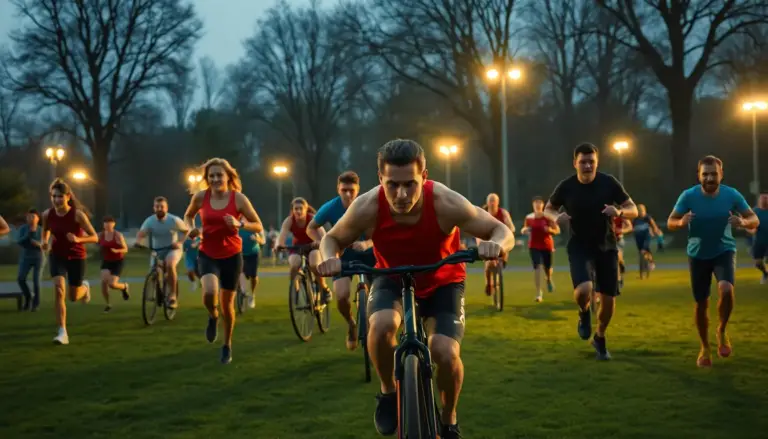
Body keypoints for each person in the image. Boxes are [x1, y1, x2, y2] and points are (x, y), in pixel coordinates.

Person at [317, 139, 514, 439]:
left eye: (410, 184)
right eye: (392, 185)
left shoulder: (445, 202)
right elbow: (331, 238)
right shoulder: (368, 206)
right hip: (390, 276)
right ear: (380, 178)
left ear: (425, 176)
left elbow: (502, 231)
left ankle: (448, 419)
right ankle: (388, 391)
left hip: (442, 280)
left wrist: (496, 245)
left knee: (444, 352)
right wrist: (329, 259)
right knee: (381, 326)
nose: (401, 194)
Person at [544, 143, 638, 361]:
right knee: (585, 289)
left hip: (607, 246)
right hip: (579, 245)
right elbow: (549, 208)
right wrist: (554, 218)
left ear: (597, 162)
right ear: (575, 163)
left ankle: (600, 336)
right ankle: (584, 311)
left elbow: (632, 208)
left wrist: (620, 211)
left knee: (608, 299)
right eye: (583, 162)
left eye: (591, 162)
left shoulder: (609, 183)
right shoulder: (566, 187)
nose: (587, 166)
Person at [667, 156, 759, 367]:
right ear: (699, 175)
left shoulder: (731, 194)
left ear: (721, 174)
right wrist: (681, 221)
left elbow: (754, 219)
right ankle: (705, 347)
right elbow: (671, 221)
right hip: (697, 254)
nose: (709, 178)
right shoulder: (688, 196)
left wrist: (743, 222)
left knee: (726, 289)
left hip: (723, 250)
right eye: (705, 174)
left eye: (713, 174)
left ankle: (722, 330)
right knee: (701, 303)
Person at [184, 157, 263, 364]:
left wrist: (240, 224)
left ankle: (227, 344)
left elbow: (258, 225)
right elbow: (188, 216)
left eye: (220, 175)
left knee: (228, 305)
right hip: (208, 252)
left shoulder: (238, 199)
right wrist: (190, 228)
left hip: (232, 255)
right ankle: (212, 315)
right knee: (209, 293)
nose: (216, 179)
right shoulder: (201, 197)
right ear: (207, 179)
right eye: (212, 176)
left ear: (228, 177)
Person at [306, 170, 376, 350]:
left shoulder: (368, 205)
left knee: (375, 296)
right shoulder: (330, 207)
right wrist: (326, 244)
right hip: (344, 254)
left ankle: (373, 326)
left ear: (358, 190)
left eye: (351, 190)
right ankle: (352, 324)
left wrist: (366, 244)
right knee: (342, 295)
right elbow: (311, 227)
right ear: (338, 189)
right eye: (344, 190)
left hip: (369, 253)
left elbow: (381, 234)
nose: (347, 194)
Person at [42, 179, 99, 345]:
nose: (56, 200)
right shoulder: (47, 214)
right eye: (53, 196)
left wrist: (78, 239)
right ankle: (62, 332)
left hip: (76, 257)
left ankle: (85, 288)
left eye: (60, 196)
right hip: (57, 255)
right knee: (59, 290)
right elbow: (45, 229)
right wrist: (45, 241)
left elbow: (95, 237)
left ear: (68, 197)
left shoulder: (77, 215)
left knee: (73, 296)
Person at [136, 196, 188, 309]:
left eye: (162, 207)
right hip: (157, 250)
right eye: (157, 206)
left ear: (166, 208)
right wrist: (138, 242)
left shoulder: (173, 220)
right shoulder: (150, 221)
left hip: (172, 249)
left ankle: (173, 296)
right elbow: (142, 233)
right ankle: (156, 291)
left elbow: (185, 231)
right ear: (154, 208)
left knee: (169, 265)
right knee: (155, 270)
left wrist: (180, 242)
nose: (159, 209)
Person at [276, 198, 331, 300]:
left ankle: (324, 288)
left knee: (314, 264)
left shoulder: (312, 219)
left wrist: (320, 242)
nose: (298, 211)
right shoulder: (289, 221)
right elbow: (282, 235)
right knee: (294, 264)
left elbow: (323, 235)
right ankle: (295, 288)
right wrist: (279, 245)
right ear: (292, 210)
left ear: (306, 209)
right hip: (297, 247)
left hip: (313, 245)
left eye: (301, 208)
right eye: (296, 209)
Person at [521, 197, 560, 302]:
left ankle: (548, 279)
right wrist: (524, 230)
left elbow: (557, 230)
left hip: (546, 245)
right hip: (534, 245)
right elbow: (524, 228)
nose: (538, 206)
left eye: (539, 204)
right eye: (536, 204)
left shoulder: (548, 217)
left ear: (542, 206)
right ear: (533, 206)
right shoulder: (529, 217)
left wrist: (550, 230)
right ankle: (539, 293)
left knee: (547, 268)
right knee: (537, 267)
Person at [481, 193, 515, 296]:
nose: (492, 203)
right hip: (488, 239)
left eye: (494, 200)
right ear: (487, 202)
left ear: (498, 202)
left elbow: (511, 227)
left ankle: (502, 262)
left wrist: (508, 233)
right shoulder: (483, 213)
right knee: (488, 263)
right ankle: (488, 283)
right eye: (490, 200)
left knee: (504, 250)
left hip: (501, 239)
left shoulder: (503, 213)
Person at [98, 216, 129, 313]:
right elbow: (90, 238)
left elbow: (125, 249)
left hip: (117, 261)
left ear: (114, 224)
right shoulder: (101, 235)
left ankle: (124, 287)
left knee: (112, 284)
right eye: (105, 223)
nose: (107, 224)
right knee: (103, 282)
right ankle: (108, 304)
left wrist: (117, 250)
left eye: (109, 222)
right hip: (106, 261)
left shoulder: (118, 235)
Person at [16, 209, 43, 311]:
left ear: (38, 218)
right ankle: (28, 297)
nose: (30, 219)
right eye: (29, 217)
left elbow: (46, 245)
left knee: (36, 281)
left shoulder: (41, 230)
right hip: (25, 257)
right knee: (21, 278)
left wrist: (39, 244)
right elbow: (19, 241)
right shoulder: (23, 228)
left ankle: (35, 305)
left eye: (33, 217)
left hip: (38, 257)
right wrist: (29, 235)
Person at [239, 226, 265, 308]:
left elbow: (263, 241)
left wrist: (257, 239)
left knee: (253, 276)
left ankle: (252, 295)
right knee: (240, 271)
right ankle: (243, 291)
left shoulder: (256, 224)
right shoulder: (236, 224)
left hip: (253, 254)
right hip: (240, 253)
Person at [632, 204, 661, 279]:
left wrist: (656, 231)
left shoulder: (647, 218)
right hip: (638, 237)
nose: (641, 213)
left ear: (645, 211)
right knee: (641, 253)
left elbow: (653, 225)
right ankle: (642, 273)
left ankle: (651, 262)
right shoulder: (635, 219)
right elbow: (632, 228)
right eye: (639, 211)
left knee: (644, 249)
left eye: (642, 211)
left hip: (646, 236)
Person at [747, 192, 768, 284]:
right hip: (759, 241)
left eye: (766, 198)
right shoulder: (754, 211)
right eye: (763, 198)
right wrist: (750, 228)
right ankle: (765, 274)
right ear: (759, 200)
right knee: (758, 263)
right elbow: (749, 227)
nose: (764, 200)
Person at [613, 215, 633, 288]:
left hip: (618, 240)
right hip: (608, 240)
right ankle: (618, 280)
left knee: (618, 259)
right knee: (614, 261)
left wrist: (622, 230)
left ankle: (621, 266)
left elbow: (630, 227)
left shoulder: (620, 215)